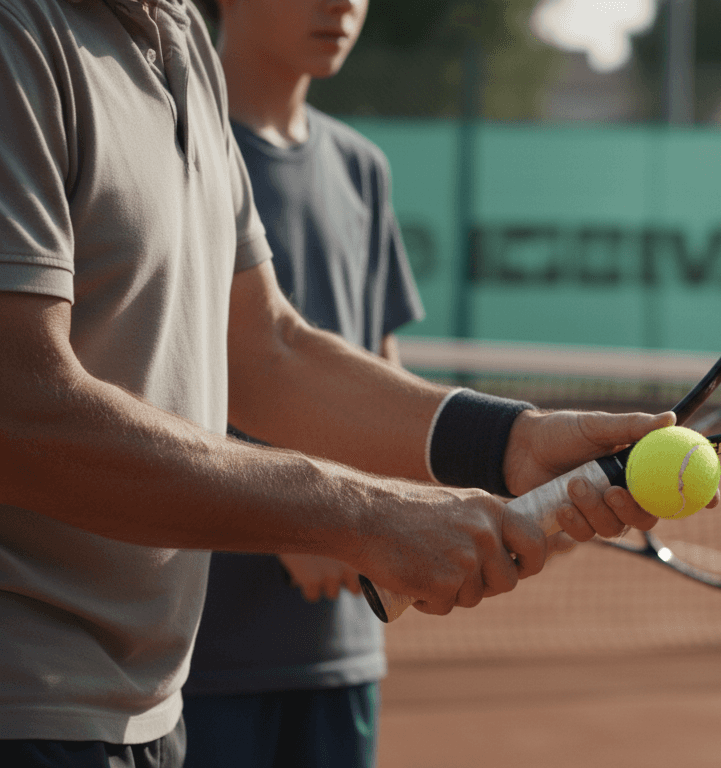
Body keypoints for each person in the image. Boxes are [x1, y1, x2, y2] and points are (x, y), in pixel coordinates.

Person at [0, 1, 667, 765]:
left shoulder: (180, 38)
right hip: (24, 708)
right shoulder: (18, 35)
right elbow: (22, 415)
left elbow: (266, 348)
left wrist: (510, 442)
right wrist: (362, 516)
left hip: (147, 710)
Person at [178, 0, 418, 764]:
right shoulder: (170, 148)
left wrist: (519, 478)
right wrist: (297, 521)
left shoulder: (362, 169)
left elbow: (384, 390)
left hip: (338, 658)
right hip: (189, 662)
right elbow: (137, 384)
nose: (342, 3)